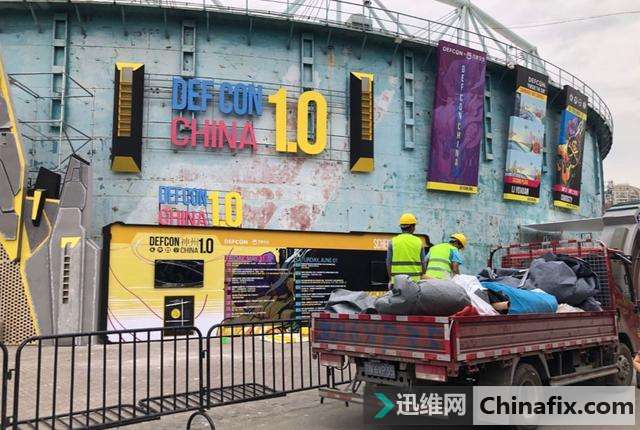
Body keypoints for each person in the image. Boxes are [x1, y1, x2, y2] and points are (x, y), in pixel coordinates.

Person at [386, 213, 426, 287]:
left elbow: (388, 263)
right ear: (412, 227)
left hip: (397, 282)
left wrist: (391, 279)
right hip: (414, 282)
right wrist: (422, 274)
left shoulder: (393, 241)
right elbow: (423, 263)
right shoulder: (419, 242)